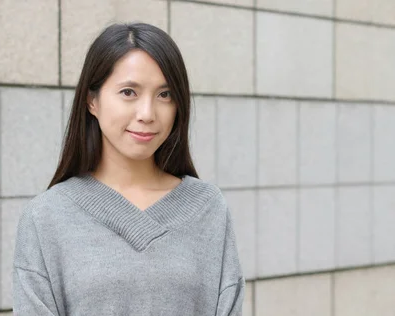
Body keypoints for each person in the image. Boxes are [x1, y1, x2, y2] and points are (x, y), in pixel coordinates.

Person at [12, 22, 245, 315]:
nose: (147, 114)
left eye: (165, 95)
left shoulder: (208, 208)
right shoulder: (46, 216)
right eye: (128, 92)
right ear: (92, 100)